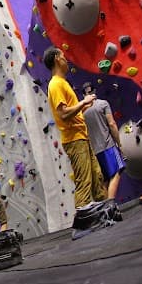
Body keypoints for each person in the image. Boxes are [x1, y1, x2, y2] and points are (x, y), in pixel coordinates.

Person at [43, 47, 106, 207]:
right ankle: (84, 221)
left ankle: (104, 211)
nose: (66, 59)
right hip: (74, 140)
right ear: (57, 58)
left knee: (97, 177)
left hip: (81, 137)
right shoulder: (56, 84)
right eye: (63, 56)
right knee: (84, 182)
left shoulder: (62, 83)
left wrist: (83, 106)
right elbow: (63, 114)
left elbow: (70, 113)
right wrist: (83, 102)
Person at [82, 82, 125, 200]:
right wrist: (119, 144)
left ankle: (105, 209)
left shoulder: (81, 113)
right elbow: (111, 124)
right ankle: (111, 207)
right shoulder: (103, 104)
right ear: (94, 91)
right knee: (117, 172)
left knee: (104, 181)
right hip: (108, 146)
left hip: (95, 152)